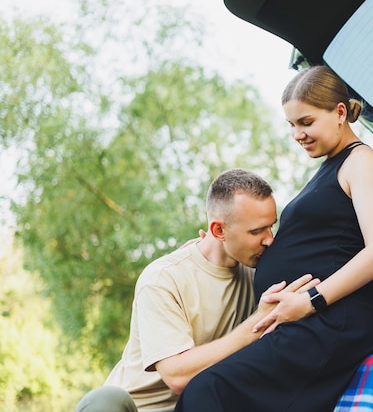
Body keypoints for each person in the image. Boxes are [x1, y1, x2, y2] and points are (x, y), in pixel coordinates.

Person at [174, 65, 373, 412]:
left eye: (305, 122)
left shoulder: (361, 160)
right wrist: (214, 245)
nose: (297, 134)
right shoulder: (328, 168)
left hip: (330, 321)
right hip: (309, 321)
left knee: (209, 391)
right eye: (291, 125)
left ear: (340, 113)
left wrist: (311, 301)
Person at [73, 168, 319, 412]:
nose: (269, 239)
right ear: (218, 231)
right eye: (256, 231)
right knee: (105, 400)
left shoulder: (260, 274)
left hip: (203, 405)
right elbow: (177, 377)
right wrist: (258, 322)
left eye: (270, 227)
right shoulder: (163, 278)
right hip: (134, 408)